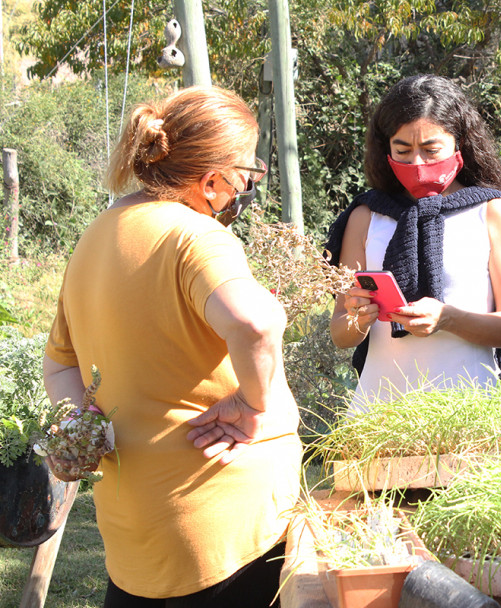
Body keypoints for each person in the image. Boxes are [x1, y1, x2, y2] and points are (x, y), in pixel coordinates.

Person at [42, 86, 303, 607]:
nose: (240, 193)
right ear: (210, 181)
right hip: (224, 532)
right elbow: (254, 324)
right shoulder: (196, 237)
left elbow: (59, 361)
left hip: (136, 535)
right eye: (243, 178)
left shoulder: (97, 234)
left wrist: (83, 429)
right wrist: (251, 406)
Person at [324, 74, 501, 410]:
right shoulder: (365, 216)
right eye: (403, 150)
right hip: (378, 414)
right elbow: (341, 333)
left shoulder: (491, 212)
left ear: (459, 144)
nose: (417, 164)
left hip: (472, 410)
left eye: (431, 151)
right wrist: (359, 317)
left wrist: (447, 318)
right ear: (386, 150)